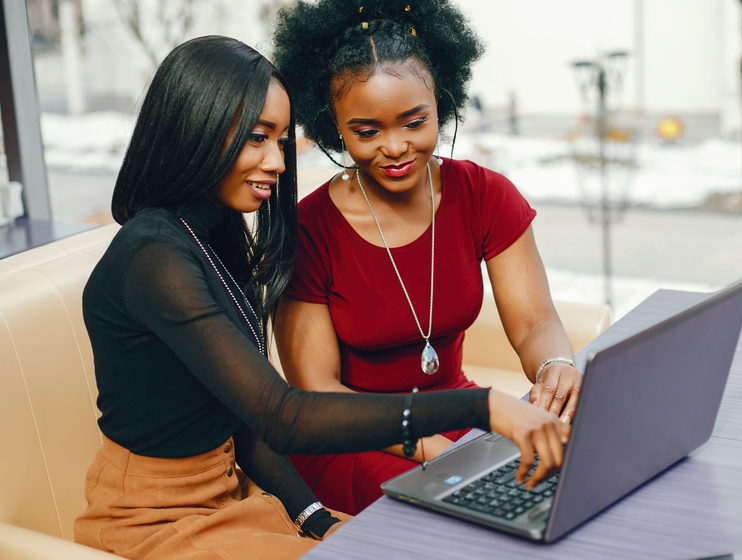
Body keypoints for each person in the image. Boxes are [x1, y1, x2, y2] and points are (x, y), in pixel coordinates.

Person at [74, 35, 568, 560]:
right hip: (154, 515)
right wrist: (485, 405)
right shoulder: (154, 256)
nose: (278, 162)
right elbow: (281, 413)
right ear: (195, 129)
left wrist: (312, 517)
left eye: (281, 140)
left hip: (229, 491)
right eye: (256, 138)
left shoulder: (213, 233)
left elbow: (239, 416)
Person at [271, 0, 583, 516]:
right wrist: (436, 451)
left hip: (458, 414)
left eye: (414, 121)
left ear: (442, 101)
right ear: (335, 128)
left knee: (567, 479)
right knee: (473, 509)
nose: (395, 147)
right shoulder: (309, 229)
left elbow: (534, 323)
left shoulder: (484, 194)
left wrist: (555, 366)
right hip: (356, 440)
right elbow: (317, 393)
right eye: (366, 132)